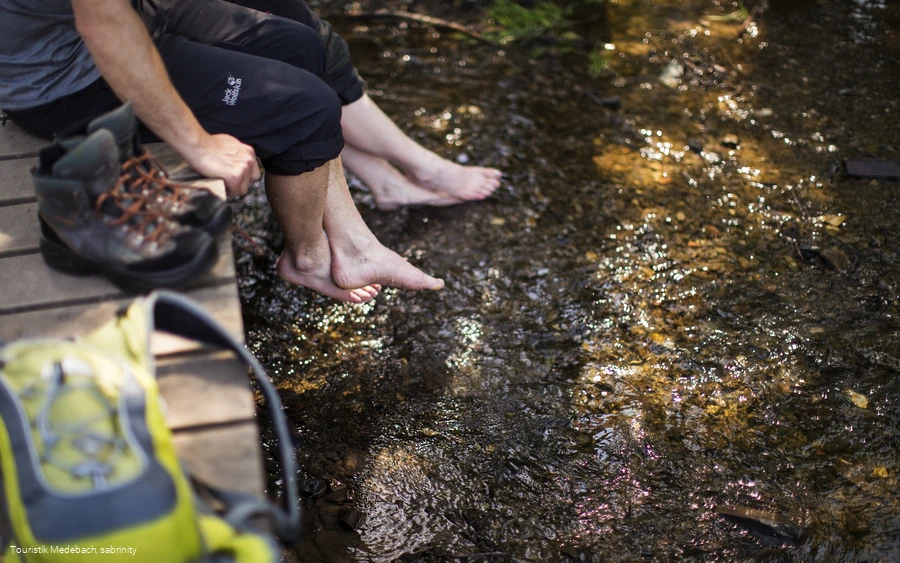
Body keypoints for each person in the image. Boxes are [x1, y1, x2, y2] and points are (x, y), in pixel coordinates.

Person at [0, 0, 500, 303]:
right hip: (62, 76)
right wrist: (199, 146)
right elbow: (105, 25)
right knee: (303, 109)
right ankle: (307, 257)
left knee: (299, 47)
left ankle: (353, 241)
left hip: (132, 17)